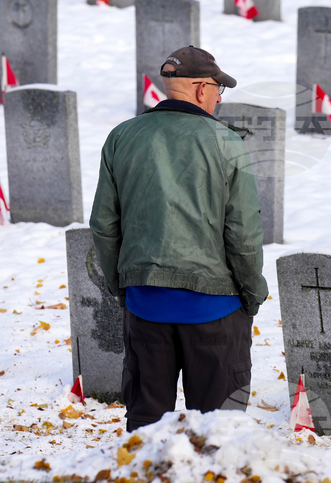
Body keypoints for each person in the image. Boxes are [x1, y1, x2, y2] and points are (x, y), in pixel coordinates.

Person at [89, 46, 268, 432]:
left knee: (146, 427)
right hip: (215, 308)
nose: (219, 100)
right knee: (218, 429)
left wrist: (126, 288)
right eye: (219, 90)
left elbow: (104, 224)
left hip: (145, 302)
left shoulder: (122, 136)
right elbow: (243, 232)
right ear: (202, 88)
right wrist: (252, 292)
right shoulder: (225, 142)